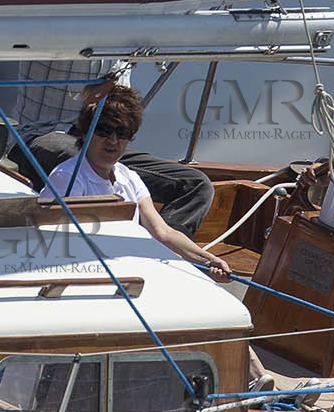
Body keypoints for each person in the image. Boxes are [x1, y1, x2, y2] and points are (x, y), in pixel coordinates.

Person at [37, 82, 232, 281]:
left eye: (122, 132)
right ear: (86, 132)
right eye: (104, 130)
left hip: (128, 273)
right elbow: (58, 243)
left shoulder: (128, 176)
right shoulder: (67, 177)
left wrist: (206, 260)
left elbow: (162, 232)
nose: (113, 140)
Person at [14, 59, 214, 239]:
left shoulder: (131, 29)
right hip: (45, 133)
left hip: (107, 137)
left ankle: (154, 254)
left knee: (196, 184)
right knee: (81, 164)